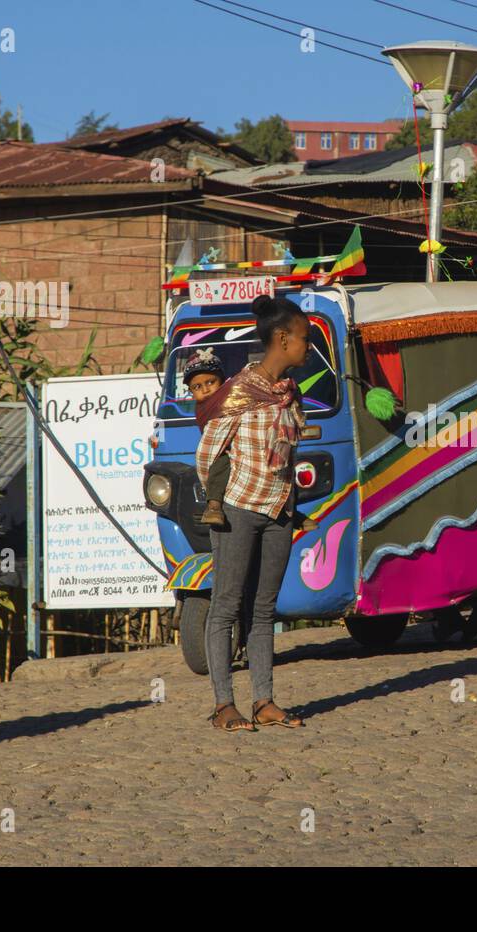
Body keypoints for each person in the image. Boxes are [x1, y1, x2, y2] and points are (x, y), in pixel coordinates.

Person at [195, 294, 311, 733]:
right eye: (303, 339)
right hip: (239, 510)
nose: (307, 347)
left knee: (264, 611)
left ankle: (263, 700)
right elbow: (209, 452)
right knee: (225, 607)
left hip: (279, 511)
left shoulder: (290, 392)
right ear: (282, 339)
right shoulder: (242, 390)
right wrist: (220, 502)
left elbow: (290, 447)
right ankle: (224, 705)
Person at [184, 347, 318, 531]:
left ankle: (293, 512)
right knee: (220, 463)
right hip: (227, 452)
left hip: (251, 449)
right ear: (190, 391)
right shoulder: (203, 408)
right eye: (197, 387)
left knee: (284, 467)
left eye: (210, 382)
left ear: (223, 382)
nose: (205, 389)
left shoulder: (234, 396)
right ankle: (214, 505)